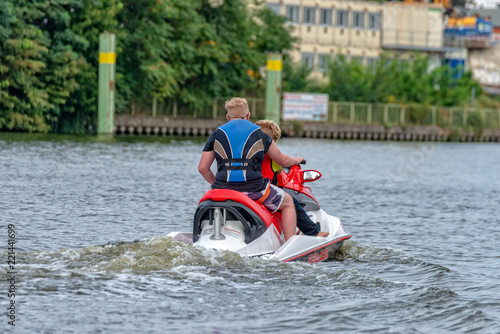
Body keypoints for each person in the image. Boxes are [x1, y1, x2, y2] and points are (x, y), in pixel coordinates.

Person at [198, 97, 303, 241]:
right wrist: (295, 160)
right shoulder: (260, 134)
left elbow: (203, 168)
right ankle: (290, 244)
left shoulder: (217, 134)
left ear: (228, 117)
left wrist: (218, 185)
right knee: (288, 203)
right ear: (248, 116)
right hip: (255, 190)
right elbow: (282, 160)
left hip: (223, 189)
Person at [256, 120, 329, 237]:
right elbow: (281, 171)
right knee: (292, 203)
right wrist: (296, 160)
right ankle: (313, 232)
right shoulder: (273, 158)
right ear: (272, 142)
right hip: (263, 190)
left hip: (246, 190)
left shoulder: (248, 155)